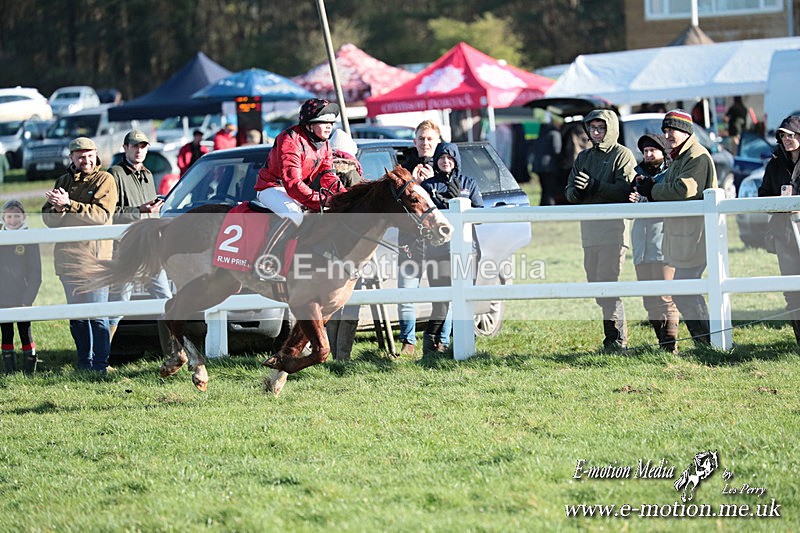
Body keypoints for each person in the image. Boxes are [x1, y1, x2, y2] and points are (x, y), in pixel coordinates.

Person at [635, 109, 717, 346]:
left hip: (695, 235)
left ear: (686, 131)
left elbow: (683, 190)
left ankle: (709, 343)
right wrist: (648, 184)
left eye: (672, 129)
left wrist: (651, 190)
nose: (668, 134)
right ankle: (707, 343)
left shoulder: (696, 156)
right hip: (684, 235)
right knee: (685, 291)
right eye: (666, 130)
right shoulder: (681, 156)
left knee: (685, 291)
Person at [42, 137, 117, 372]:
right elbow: (48, 220)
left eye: (89, 155)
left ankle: (100, 366)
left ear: (96, 155)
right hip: (68, 260)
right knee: (77, 318)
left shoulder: (105, 179)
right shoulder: (62, 181)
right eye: (80, 156)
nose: (85, 160)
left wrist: (69, 205)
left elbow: (101, 216)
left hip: (95, 261)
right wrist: (57, 208)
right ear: (72, 158)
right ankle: (84, 363)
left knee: (97, 315)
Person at [565, 109, 637, 351]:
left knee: (609, 282)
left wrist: (596, 186)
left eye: (601, 128)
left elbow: (627, 191)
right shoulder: (584, 157)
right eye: (592, 128)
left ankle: (617, 339)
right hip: (589, 231)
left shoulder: (622, 155)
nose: (596, 133)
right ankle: (612, 336)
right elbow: (569, 192)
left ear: (611, 129)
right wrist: (577, 191)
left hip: (614, 230)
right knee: (596, 285)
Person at [106, 130, 173, 351]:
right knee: (120, 303)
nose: (139, 150)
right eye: (134, 146)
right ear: (125, 148)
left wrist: (153, 211)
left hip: (150, 247)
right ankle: (101, 357)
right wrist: (139, 210)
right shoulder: (114, 174)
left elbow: (149, 213)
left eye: (143, 146)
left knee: (167, 300)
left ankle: (172, 355)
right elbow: (109, 213)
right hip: (127, 249)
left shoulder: (147, 174)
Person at [419, 142, 483, 356]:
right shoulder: (428, 186)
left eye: (450, 158)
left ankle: (464, 345)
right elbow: (424, 220)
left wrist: (461, 202)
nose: (446, 162)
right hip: (438, 252)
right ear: (435, 160)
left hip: (467, 250)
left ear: (456, 160)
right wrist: (443, 205)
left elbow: (480, 218)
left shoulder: (469, 183)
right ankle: (430, 347)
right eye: (441, 158)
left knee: (466, 298)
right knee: (441, 302)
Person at [396, 120, 452, 355]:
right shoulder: (404, 167)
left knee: (443, 294)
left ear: (438, 141)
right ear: (414, 142)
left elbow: (451, 203)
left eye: (430, 139)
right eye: (421, 138)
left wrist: (429, 185)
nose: (425, 143)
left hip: (439, 243)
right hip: (410, 240)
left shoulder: (448, 166)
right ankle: (408, 342)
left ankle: (443, 342)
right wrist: (415, 184)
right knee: (407, 291)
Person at [628, 134, 680, 352]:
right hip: (641, 242)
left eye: (653, 150)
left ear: (663, 152)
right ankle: (661, 344)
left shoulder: (671, 175)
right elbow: (630, 213)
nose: (648, 155)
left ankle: (670, 346)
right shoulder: (637, 177)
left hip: (664, 241)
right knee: (648, 299)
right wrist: (629, 200)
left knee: (665, 296)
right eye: (645, 151)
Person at [758, 115, 800, 346]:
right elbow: (763, 195)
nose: (787, 139)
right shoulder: (774, 164)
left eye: (791, 135)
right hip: (784, 236)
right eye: (783, 135)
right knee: (791, 292)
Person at [324, 129, 364, 361]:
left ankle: (332, 353)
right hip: (351, 248)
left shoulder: (321, 171)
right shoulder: (353, 174)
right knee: (349, 302)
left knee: (330, 302)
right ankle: (343, 356)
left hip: (324, 247)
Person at [1, 200, 42, 374]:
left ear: (24, 216)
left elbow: (36, 274)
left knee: (25, 332)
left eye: (16, 216)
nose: (12, 220)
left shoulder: (29, 238)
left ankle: (29, 371)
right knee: (7, 333)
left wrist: (28, 298)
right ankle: (9, 371)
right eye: (8, 216)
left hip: (22, 296)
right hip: (2, 296)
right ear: (3, 218)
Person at [532, 117, 563, 206]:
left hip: (538, 166)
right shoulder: (555, 133)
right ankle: (550, 207)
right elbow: (557, 150)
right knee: (550, 190)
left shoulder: (542, 133)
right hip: (549, 166)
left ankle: (543, 206)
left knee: (544, 189)